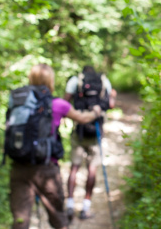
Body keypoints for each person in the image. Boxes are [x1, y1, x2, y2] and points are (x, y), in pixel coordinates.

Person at [9, 64, 102, 229]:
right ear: (50, 80)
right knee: (59, 219)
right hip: (46, 169)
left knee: (20, 220)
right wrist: (96, 112)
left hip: (19, 166)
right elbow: (83, 118)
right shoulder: (58, 104)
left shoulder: (18, 101)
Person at [63, 66, 116, 221]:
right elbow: (110, 105)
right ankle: (85, 207)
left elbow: (65, 103)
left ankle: (70, 205)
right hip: (97, 130)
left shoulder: (75, 80)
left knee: (74, 167)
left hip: (78, 130)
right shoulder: (104, 80)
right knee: (92, 169)